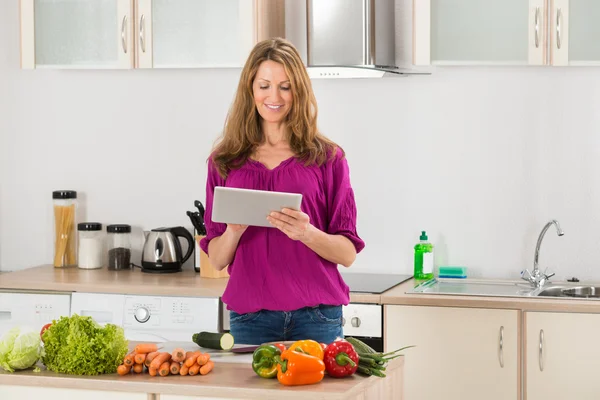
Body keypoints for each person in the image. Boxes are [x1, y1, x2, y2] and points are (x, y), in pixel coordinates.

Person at [199, 38, 365, 345]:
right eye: (264, 85)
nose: (274, 96)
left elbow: (348, 254)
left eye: (285, 86)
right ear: (250, 89)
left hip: (317, 316)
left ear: (298, 91)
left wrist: (307, 233)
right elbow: (218, 259)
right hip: (251, 319)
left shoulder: (328, 158)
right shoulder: (224, 161)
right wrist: (234, 232)